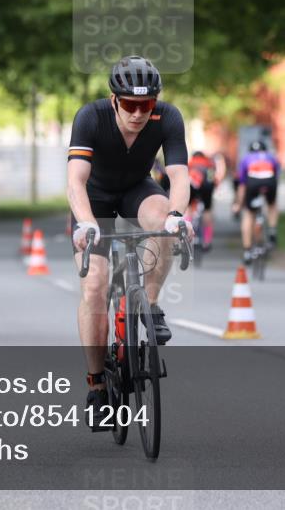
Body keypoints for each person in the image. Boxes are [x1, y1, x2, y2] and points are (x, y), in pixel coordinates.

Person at [67, 55, 193, 428]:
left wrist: (177, 217)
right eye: (130, 105)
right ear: (114, 99)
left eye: (146, 105)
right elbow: (75, 181)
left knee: (164, 222)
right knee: (95, 285)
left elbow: (179, 175)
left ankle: (150, 306)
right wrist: (87, 224)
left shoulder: (168, 117)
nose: (138, 113)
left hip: (137, 188)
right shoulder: (90, 117)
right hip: (95, 197)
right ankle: (96, 387)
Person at [232, 140, 281, 264]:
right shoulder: (271, 158)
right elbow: (276, 177)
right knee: (272, 204)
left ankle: (247, 251)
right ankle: (272, 230)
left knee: (248, 214)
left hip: (252, 183)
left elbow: (242, 186)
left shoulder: (245, 159)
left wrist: (238, 204)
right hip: (270, 182)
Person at [188, 151, 218, 250]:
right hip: (206, 187)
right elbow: (213, 180)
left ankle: (185, 236)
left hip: (192, 185)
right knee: (207, 210)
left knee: (188, 207)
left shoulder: (189, 163)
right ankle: (207, 241)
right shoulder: (209, 164)